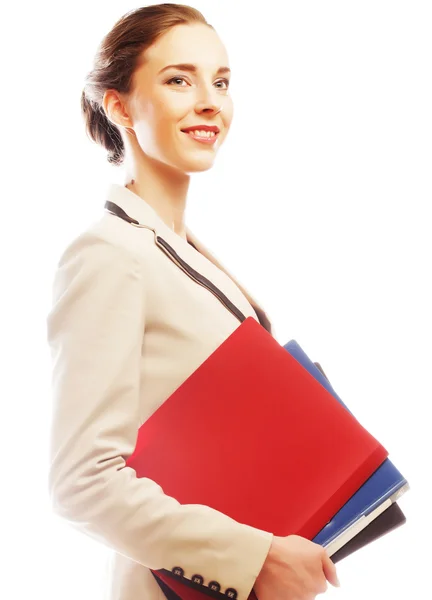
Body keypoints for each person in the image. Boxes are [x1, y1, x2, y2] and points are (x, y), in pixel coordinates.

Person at [46, 4, 341, 600]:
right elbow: (80, 483)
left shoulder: (184, 252)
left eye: (222, 81)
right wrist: (253, 558)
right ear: (119, 105)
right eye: (179, 79)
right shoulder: (108, 254)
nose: (210, 101)